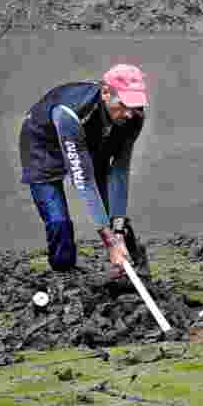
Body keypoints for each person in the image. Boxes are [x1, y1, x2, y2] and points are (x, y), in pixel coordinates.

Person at [19, 64, 149, 277]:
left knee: (115, 218)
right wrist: (109, 243)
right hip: (43, 143)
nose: (129, 113)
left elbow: (119, 171)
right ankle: (65, 271)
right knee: (58, 220)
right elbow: (84, 181)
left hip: (88, 138)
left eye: (135, 106)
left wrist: (117, 232)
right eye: (124, 105)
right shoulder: (70, 113)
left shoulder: (134, 116)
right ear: (106, 93)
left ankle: (131, 264)